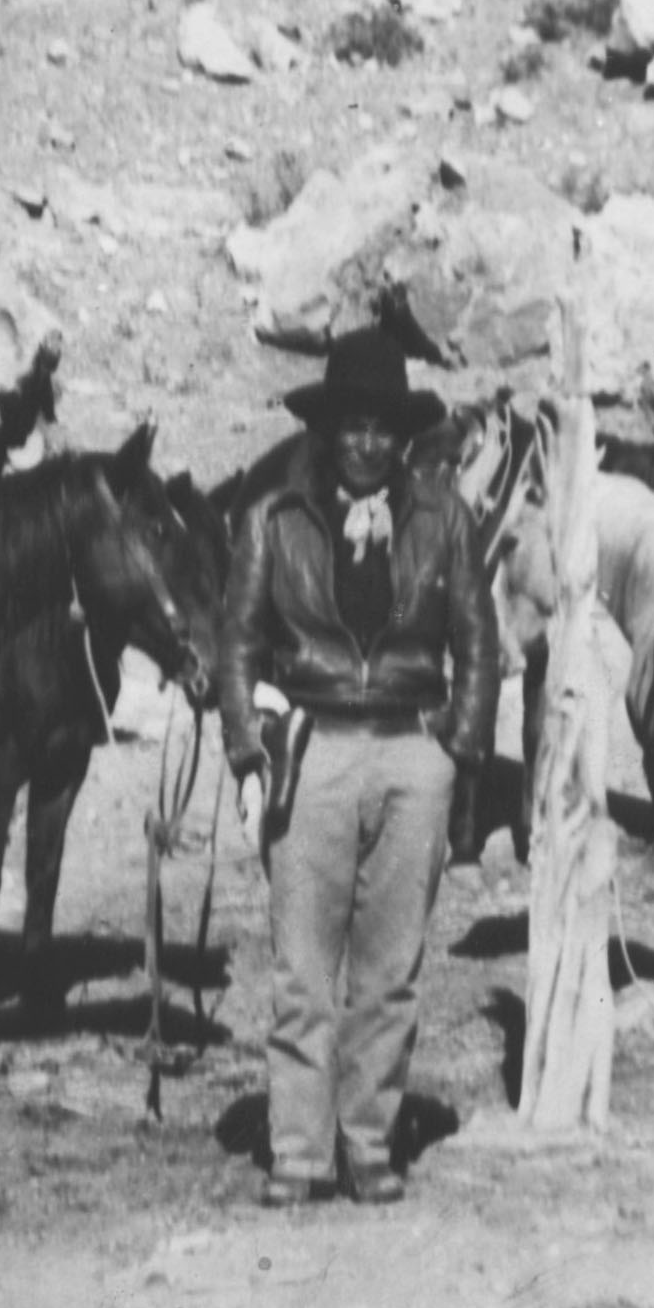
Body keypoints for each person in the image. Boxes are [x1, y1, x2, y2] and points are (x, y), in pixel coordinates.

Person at [217, 325, 500, 1207]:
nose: (367, 444)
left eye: (383, 428)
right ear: (327, 430)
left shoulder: (444, 520)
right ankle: (299, 1151)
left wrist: (455, 751)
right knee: (302, 970)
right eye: (352, 426)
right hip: (313, 753)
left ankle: (369, 1143)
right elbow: (237, 646)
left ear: (402, 437)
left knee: (390, 971)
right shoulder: (274, 520)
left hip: (413, 753)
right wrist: (246, 747)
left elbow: (478, 644)